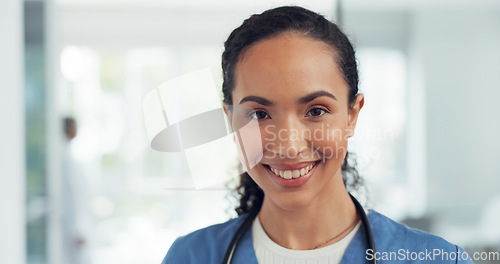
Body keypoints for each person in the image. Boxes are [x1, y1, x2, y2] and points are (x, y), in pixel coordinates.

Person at [162, 6, 473, 264]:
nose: (290, 146)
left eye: (316, 111)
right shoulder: (190, 256)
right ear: (230, 120)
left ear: (352, 114)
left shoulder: (436, 259)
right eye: (259, 114)